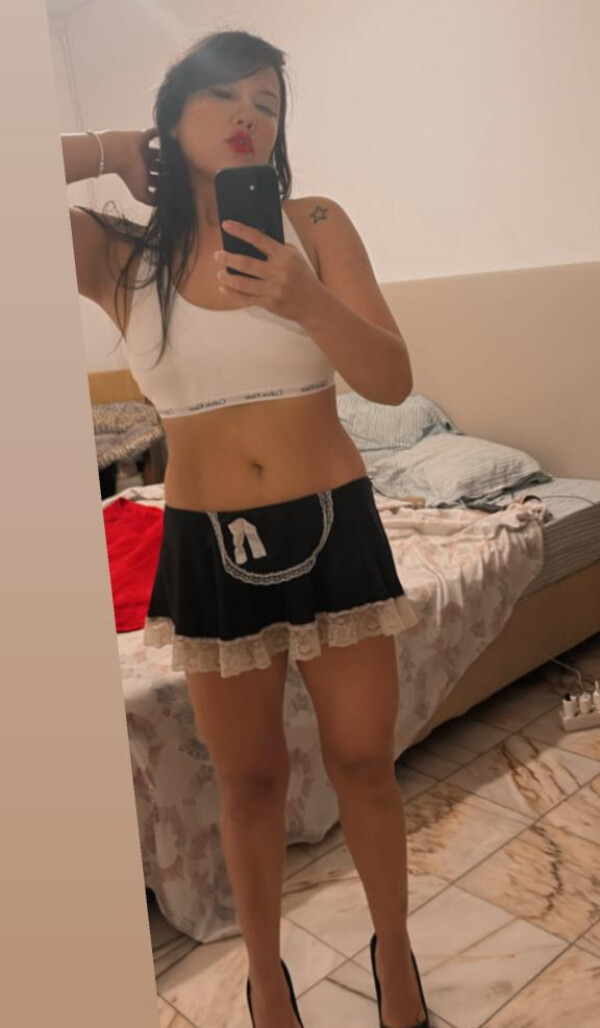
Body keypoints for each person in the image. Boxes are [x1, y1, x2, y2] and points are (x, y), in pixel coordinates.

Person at [61, 29, 430, 1028]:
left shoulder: (315, 223)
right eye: (221, 97)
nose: (246, 116)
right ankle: (267, 977)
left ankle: (395, 952)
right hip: (207, 543)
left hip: (335, 522)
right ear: (172, 119)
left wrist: (306, 300)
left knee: (364, 761)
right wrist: (107, 149)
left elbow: (392, 380)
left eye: (266, 103)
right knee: (251, 780)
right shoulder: (121, 253)